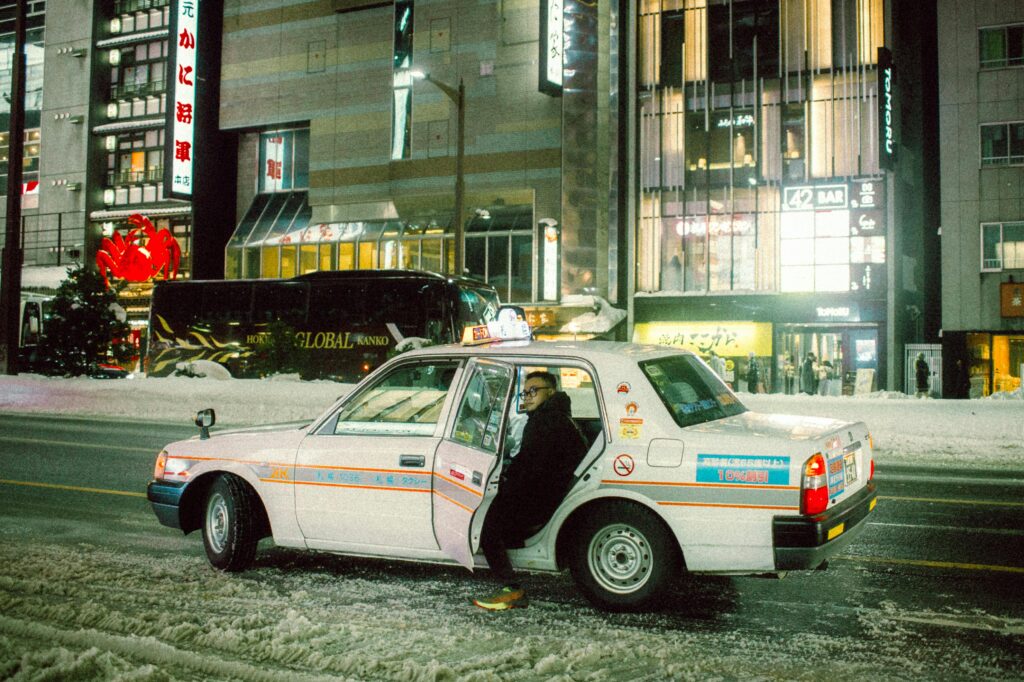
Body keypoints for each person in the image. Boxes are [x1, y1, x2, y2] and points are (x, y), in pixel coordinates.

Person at [473, 371, 588, 611]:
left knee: (486, 522)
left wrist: (503, 485)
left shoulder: (544, 422)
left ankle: (510, 589)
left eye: (534, 391)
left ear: (551, 392)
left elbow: (530, 468)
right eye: (525, 392)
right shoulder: (560, 416)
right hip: (552, 492)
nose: (528, 396)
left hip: (541, 498)